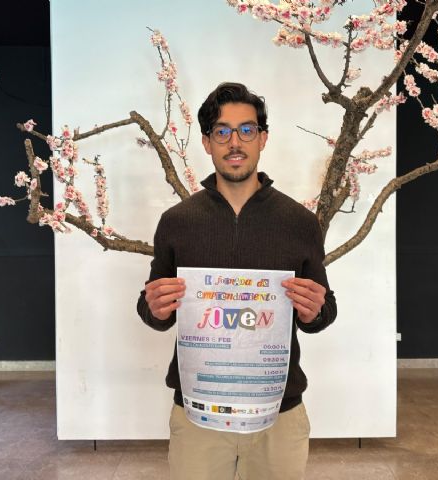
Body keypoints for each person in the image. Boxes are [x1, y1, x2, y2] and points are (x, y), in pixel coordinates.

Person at [137, 82, 337, 480]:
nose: (235, 142)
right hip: (198, 412)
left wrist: (315, 311)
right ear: (207, 142)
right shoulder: (177, 222)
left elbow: (323, 309)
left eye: (246, 130)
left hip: (278, 413)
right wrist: (154, 307)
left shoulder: (299, 222)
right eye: (222, 131)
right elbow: (153, 308)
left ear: (263, 138)